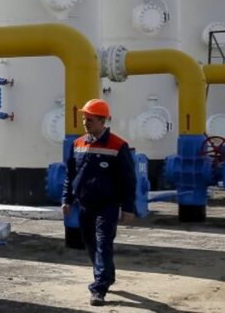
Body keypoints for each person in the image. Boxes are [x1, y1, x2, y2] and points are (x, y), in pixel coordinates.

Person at [61, 98, 136, 306]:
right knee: (91, 243)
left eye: (90, 120)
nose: (85, 123)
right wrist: (67, 199)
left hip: (107, 205)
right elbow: (70, 174)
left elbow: (128, 179)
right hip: (85, 205)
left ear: (103, 121)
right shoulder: (78, 144)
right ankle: (106, 275)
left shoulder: (118, 146)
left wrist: (128, 207)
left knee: (103, 243)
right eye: (84, 119)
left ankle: (98, 288)